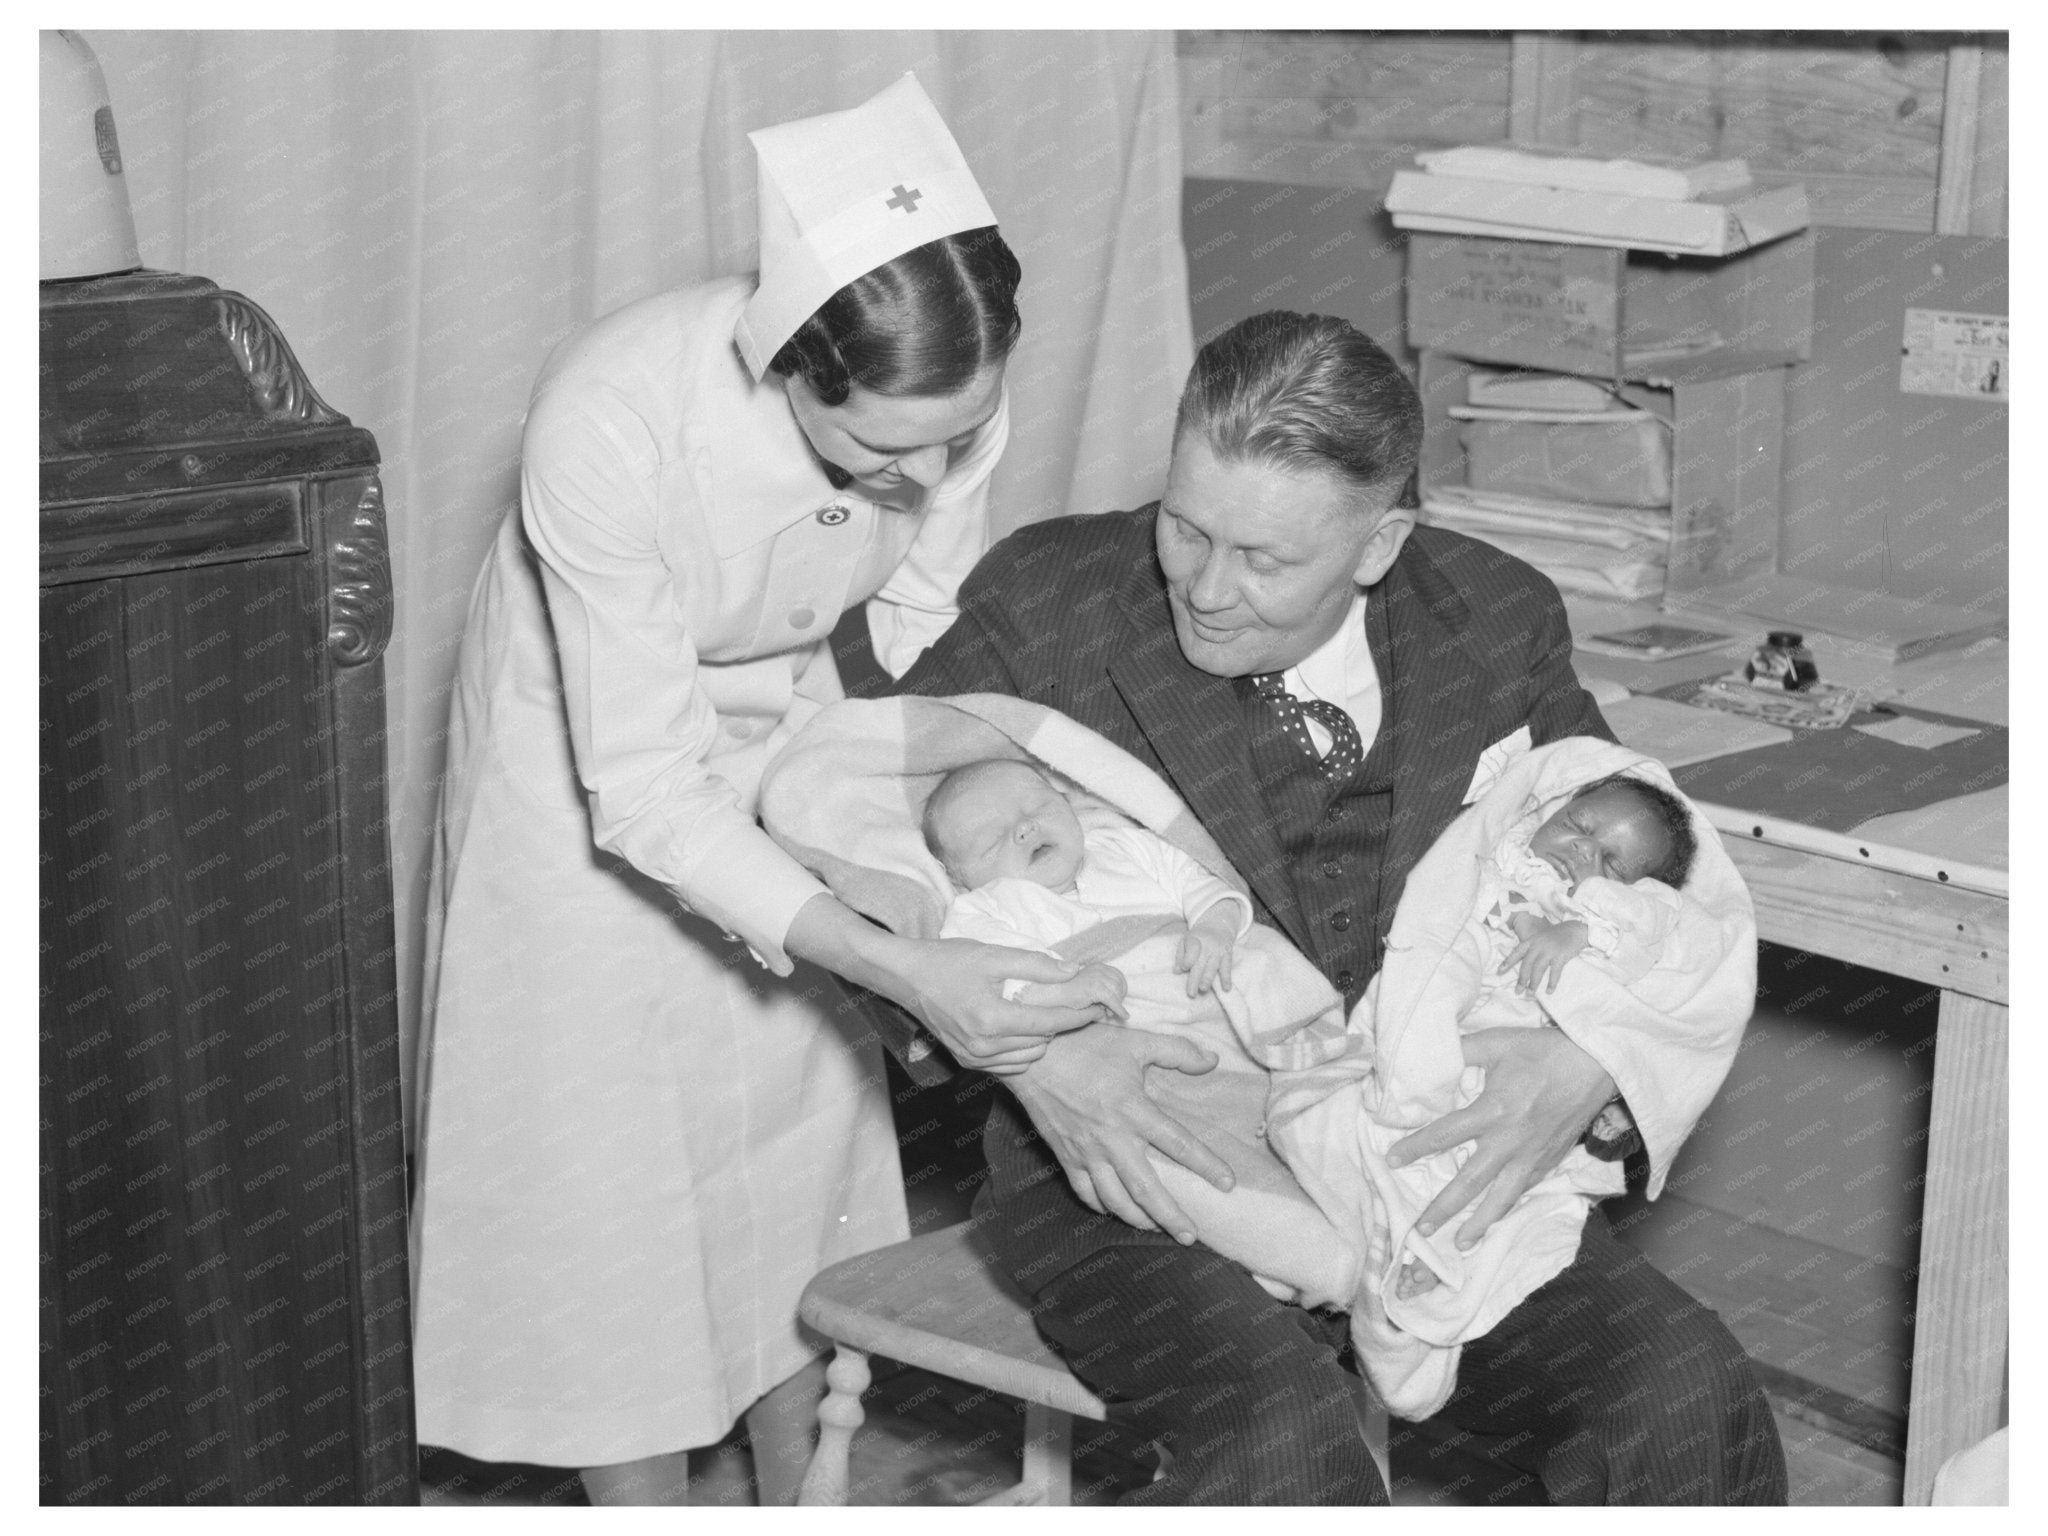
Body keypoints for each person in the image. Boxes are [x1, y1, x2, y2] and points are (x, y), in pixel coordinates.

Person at [883, 311, 1789, 1503]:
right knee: (1280, 1445)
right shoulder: (1050, 601)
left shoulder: (1493, 614)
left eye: (1263, 560)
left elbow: (1644, 856)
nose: (1204, 588)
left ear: (1380, 542)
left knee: (1674, 1395)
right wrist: (1043, 1067)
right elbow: (848, 829)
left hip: (1421, 1149)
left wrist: (1590, 1057)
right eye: (1184, 528)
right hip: (1134, 1144)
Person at [410, 75, 1105, 1507]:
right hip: (584, 760)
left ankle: (799, 1484)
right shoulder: (608, 419)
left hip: (785, 710)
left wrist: (910, 834)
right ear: (792, 365)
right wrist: (897, 964)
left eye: (953, 441)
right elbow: (651, 789)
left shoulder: (948, 385)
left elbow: (911, 613)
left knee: (794, 1128)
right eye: (884, 450)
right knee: (606, 1166)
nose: (926, 474)